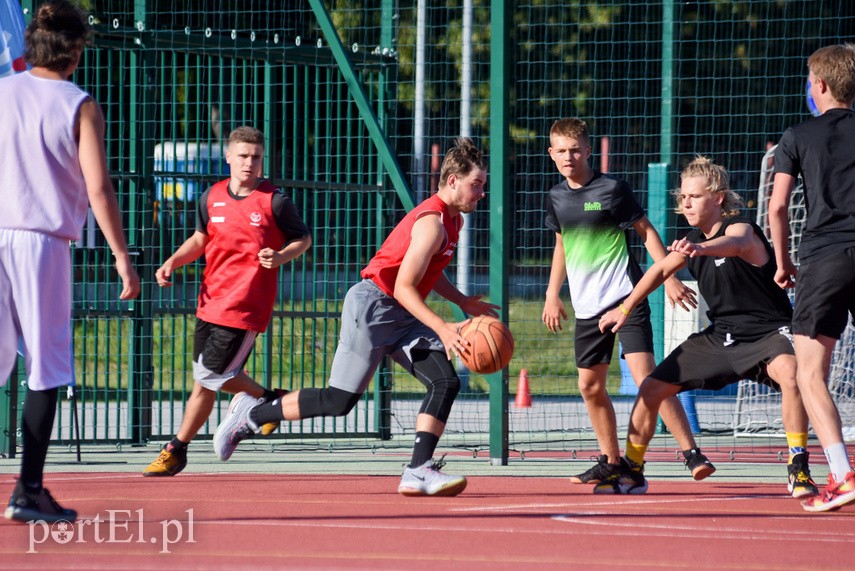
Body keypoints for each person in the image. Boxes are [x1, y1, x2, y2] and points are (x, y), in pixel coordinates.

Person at [213, 137, 497, 496]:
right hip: (374, 306)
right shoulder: (433, 223)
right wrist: (442, 325)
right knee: (339, 401)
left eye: (483, 185)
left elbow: (427, 270)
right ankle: (251, 415)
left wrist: (462, 301)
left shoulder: (451, 221)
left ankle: (418, 469)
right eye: (477, 184)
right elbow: (406, 287)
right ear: (453, 180)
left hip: (400, 313)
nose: (481, 192)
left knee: (445, 382)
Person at [596, 157, 817, 498]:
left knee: (791, 371)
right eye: (682, 197)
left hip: (769, 333)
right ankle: (634, 470)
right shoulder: (689, 241)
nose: (685, 203)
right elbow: (659, 271)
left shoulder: (741, 228)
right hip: (722, 338)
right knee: (652, 388)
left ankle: (798, 467)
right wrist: (624, 308)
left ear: (717, 199)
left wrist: (699, 248)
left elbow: (737, 244)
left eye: (694, 197)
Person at [0, 1, 140, 523]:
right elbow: (98, 188)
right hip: (40, 241)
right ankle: (28, 490)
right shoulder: (78, 104)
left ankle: (29, 491)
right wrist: (123, 257)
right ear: (76, 49)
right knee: (48, 364)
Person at [542, 118, 714, 484]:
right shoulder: (556, 197)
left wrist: (667, 280)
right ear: (551, 154)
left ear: (588, 151)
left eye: (576, 150)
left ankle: (691, 452)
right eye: (562, 150)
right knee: (589, 387)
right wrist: (551, 293)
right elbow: (562, 245)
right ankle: (612, 461)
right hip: (588, 309)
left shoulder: (611, 189)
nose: (569, 156)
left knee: (647, 380)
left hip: (626, 299)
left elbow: (647, 231)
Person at [142, 126, 311, 477]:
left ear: (263, 161)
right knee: (207, 377)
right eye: (244, 156)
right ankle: (267, 399)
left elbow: (303, 238)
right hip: (210, 301)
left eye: (257, 158)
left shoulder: (275, 201)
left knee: (208, 377)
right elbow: (201, 238)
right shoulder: (211, 196)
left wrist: (280, 256)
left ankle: (176, 449)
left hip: (246, 306)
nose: (250, 163)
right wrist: (173, 261)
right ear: (229, 157)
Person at [769, 43, 855, 512]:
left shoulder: (798, 134)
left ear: (818, 85)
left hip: (826, 256)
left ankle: (842, 474)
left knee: (810, 371)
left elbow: (778, 206)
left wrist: (782, 263)